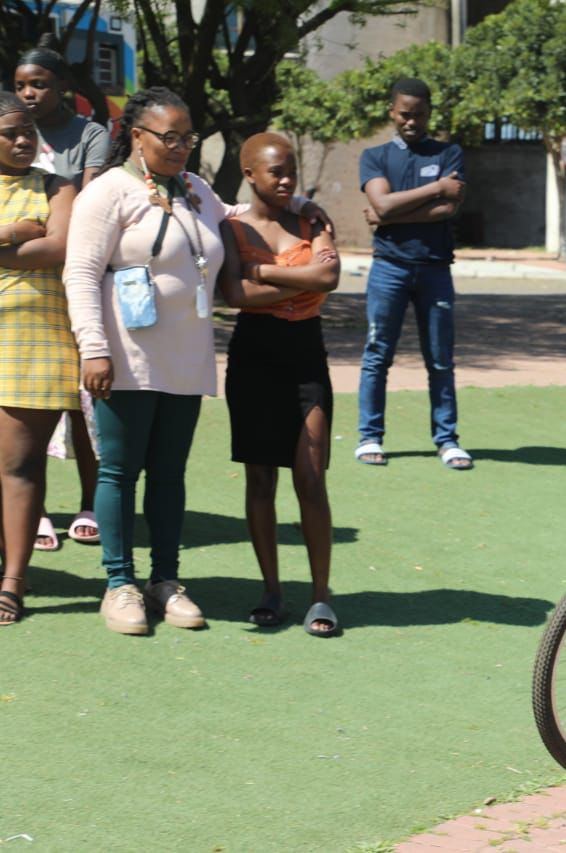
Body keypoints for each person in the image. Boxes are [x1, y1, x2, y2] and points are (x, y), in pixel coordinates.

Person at [63, 87, 329, 635]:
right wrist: (93, 347)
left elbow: (239, 214)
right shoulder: (108, 192)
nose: (182, 146)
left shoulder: (194, 189)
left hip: (185, 358)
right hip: (126, 357)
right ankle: (119, 586)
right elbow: (81, 273)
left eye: (188, 137)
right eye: (170, 137)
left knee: (169, 473)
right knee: (119, 470)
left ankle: (165, 582)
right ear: (136, 136)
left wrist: (300, 205)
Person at [217, 132, 341, 637]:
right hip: (254, 357)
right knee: (261, 480)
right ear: (250, 175)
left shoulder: (312, 219)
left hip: (306, 354)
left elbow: (329, 280)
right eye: (276, 172)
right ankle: (271, 588)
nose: (287, 178)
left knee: (311, 478)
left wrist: (264, 270)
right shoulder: (232, 227)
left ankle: (321, 596)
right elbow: (234, 293)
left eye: (291, 169)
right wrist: (301, 275)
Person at [14, 37, 110, 551]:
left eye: (40, 84)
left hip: (76, 273)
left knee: (82, 398)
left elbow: (88, 206)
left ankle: (91, 501)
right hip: (21, 281)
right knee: (27, 402)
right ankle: (38, 512)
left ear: (63, 88)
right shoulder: (10, 134)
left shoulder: (89, 134)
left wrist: (45, 231)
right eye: (21, 86)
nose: (30, 94)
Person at [355, 78, 469, 470]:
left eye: (419, 114)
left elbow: (449, 209)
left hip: (435, 269)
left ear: (429, 113)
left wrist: (389, 214)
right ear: (392, 111)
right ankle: (370, 436)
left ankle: (447, 439)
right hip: (389, 268)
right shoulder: (375, 157)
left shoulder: (450, 152)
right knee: (377, 356)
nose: (412, 121)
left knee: (440, 360)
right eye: (405, 114)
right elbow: (382, 204)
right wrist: (435, 188)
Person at [0, 94, 77, 625]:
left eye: (28, 131)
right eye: (11, 132)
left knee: (20, 465)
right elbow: (36, 242)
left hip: (37, 340)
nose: (24, 140)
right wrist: (13, 233)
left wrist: (38, 238)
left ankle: (13, 580)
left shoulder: (57, 186)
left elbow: (60, 247)